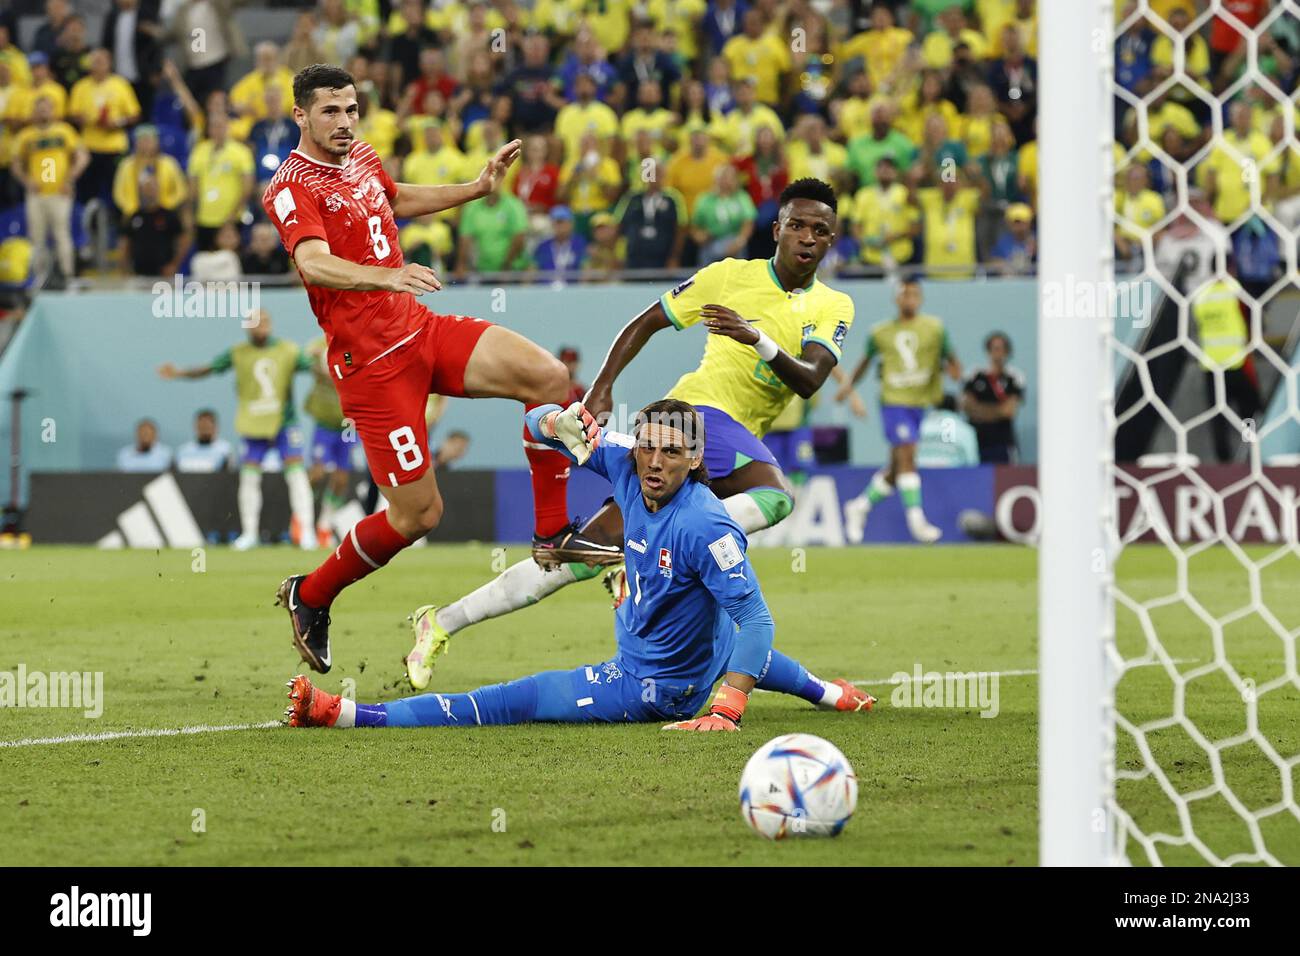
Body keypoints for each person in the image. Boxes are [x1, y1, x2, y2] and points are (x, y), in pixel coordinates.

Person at [404, 179, 855, 689]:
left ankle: (441, 622)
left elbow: (810, 379)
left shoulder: (833, 305)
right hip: (693, 417)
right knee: (776, 495)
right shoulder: (729, 276)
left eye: (820, 230)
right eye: (797, 225)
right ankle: (656, 545)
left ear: (831, 240)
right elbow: (646, 322)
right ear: (776, 230)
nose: (807, 237)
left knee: (576, 558)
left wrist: (757, 338)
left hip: (731, 443)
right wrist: (601, 387)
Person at [261, 64, 599, 675]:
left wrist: (473, 189)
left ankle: (552, 535)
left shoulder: (359, 156)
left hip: (420, 330)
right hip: (371, 367)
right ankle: (310, 593)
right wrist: (386, 274)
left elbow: (393, 200)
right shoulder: (289, 184)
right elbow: (313, 263)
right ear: (300, 116)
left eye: (351, 109)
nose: (344, 122)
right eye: (330, 112)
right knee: (419, 516)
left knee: (548, 378)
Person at [293, 399, 876, 729]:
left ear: (696, 459)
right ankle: (832, 694)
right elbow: (534, 424)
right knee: (690, 614)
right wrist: (550, 421)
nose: (654, 461)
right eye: (647, 445)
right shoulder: (625, 463)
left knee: (513, 701)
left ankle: (348, 714)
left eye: (672, 452)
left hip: (654, 687)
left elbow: (759, 623)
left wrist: (726, 709)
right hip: (706, 645)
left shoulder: (708, 524)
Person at [158, 309, 316, 551]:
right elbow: (209, 368)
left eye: (265, 320)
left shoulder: (288, 350)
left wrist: (340, 369)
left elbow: (314, 367)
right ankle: (250, 533)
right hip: (253, 422)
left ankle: (306, 532)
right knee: (249, 477)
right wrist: (179, 373)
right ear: (246, 326)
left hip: (284, 423)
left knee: (296, 475)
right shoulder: (238, 353)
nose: (261, 326)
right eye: (255, 322)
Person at [837, 277, 962, 544]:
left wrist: (953, 371)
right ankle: (917, 521)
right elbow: (864, 363)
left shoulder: (935, 328)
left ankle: (859, 506)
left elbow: (951, 359)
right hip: (894, 402)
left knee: (896, 468)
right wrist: (848, 389)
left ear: (921, 298)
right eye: (905, 294)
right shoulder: (880, 332)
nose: (909, 299)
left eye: (914, 294)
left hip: (920, 403)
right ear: (896, 299)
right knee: (908, 454)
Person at [11, 93, 87, 282]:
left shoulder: (64, 131)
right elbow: (16, 163)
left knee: (62, 233)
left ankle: (67, 275)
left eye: (46, 108)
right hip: (36, 194)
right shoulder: (26, 135)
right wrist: (27, 180)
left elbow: (82, 157)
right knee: (36, 236)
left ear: (53, 110)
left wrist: (70, 180)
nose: (43, 112)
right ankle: (39, 277)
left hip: (59, 192)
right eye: (39, 108)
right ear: (34, 111)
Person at [1191, 272, 1260, 463]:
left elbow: (1197, 326)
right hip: (1236, 362)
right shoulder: (1234, 289)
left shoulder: (1201, 295)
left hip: (1210, 365)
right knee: (1249, 414)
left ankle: (1224, 464)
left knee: (1218, 417)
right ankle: (1251, 454)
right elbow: (1251, 311)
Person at [304, 336, 352, 548]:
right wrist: (319, 364)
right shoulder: (317, 346)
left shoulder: (354, 344)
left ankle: (324, 525)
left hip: (348, 423)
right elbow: (309, 363)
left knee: (342, 478)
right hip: (324, 423)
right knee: (317, 473)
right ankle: (302, 519)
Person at [961, 332, 1026, 463]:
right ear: (988, 350)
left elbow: (1009, 411)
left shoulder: (1014, 377)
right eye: (994, 348)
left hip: (1002, 442)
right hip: (976, 441)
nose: (997, 353)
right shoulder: (974, 375)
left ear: (1007, 351)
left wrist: (980, 411)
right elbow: (967, 407)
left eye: (1001, 349)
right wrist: (997, 410)